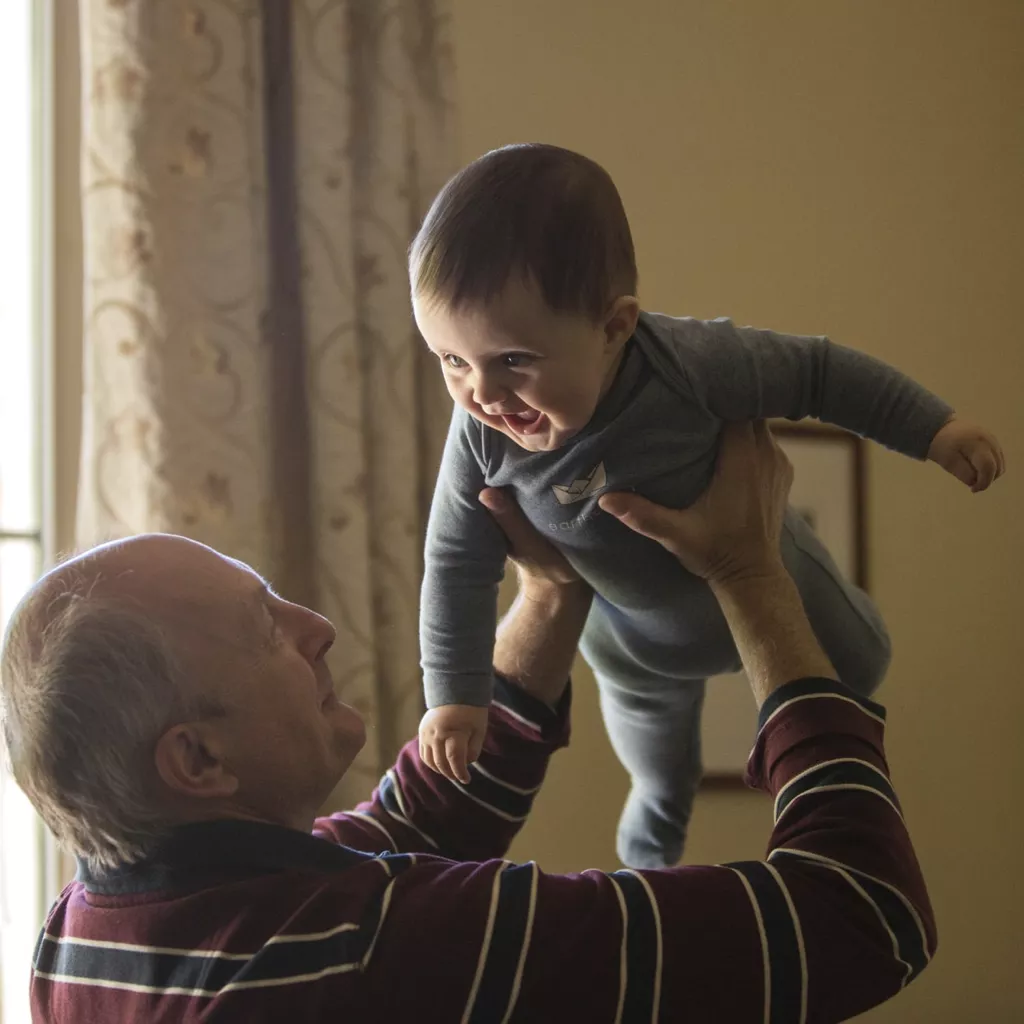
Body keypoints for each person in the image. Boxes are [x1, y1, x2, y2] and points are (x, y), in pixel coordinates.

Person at [1, 422, 935, 1022]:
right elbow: (859, 916)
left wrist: (550, 590)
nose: (317, 630)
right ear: (197, 760)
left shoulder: (83, 936)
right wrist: (750, 575)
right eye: (266, 630)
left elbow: (412, 823)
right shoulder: (379, 951)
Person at [412, 142, 1006, 868]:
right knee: (660, 772)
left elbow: (819, 373)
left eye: (513, 360)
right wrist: (454, 695)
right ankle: (650, 859)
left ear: (613, 328)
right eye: (450, 360)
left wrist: (935, 429)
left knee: (863, 662)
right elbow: (454, 562)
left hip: (771, 572)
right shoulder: (479, 436)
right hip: (634, 646)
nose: (482, 394)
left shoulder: (689, 363)